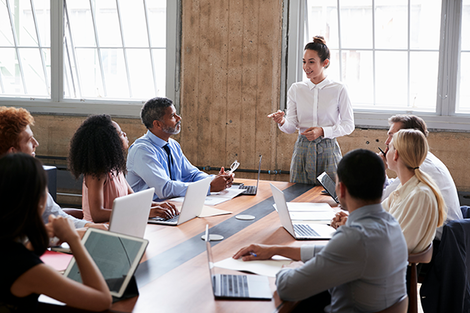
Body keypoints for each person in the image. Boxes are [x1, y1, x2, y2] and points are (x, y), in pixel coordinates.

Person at [233, 149, 408, 312]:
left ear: (341, 189)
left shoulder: (354, 238)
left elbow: (288, 288)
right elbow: (331, 252)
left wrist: (289, 267)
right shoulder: (390, 223)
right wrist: (276, 250)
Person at [0, 153, 112, 312]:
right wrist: (73, 240)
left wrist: (39, 240)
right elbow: (102, 300)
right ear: (38, 201)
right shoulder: (28, 269)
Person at [333, 129, 447, 254]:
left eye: (389, 147)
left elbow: (399, 245)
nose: (385, 150)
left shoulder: (420, 195)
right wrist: (350, 221)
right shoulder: (405, 188)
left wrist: (353, 229)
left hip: (390, 267)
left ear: (395, 154)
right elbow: (375, 218)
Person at [267, 36, 354, 184]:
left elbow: (348, 126)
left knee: (331, 197)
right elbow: (291, 127)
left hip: (328, 150)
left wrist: (322, 131)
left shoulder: (338, 89)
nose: (306, 66)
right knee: (297, 196)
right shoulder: (296, 89)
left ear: (325, 63)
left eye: (311, 62)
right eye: (304, 61)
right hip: (302, 150)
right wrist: (282, 121)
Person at [0, 106, 100, 230]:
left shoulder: (31, 179)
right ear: (13, 152)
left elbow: (57, 215)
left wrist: (92, 227)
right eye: (29, 140)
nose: (36, 143)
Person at [68, 114, 178, 223]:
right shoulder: (96, 174)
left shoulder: (116, 168)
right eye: (120, 133)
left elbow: (133, 199)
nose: (125, 134)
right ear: (110, 142)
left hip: (118, 225)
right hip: (98, 230)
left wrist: (157, 205)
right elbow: (97, 215)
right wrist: (146, 212)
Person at [127, 97, 233, 201]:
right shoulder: (142, 151)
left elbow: (192, 174)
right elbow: (165, 189)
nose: (179, 118)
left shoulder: (173, 145)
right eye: (172, 116)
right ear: (157, 124)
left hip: (173, 206)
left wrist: (215, 180)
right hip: (150, 213)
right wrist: (209, 187)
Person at [380, 114, 462, 239]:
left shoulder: (420, 169)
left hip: (436, 243)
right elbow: (388, 199)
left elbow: (379, 203)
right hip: (430, 238)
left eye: (391, 137)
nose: (386, 143)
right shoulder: (421, 162)